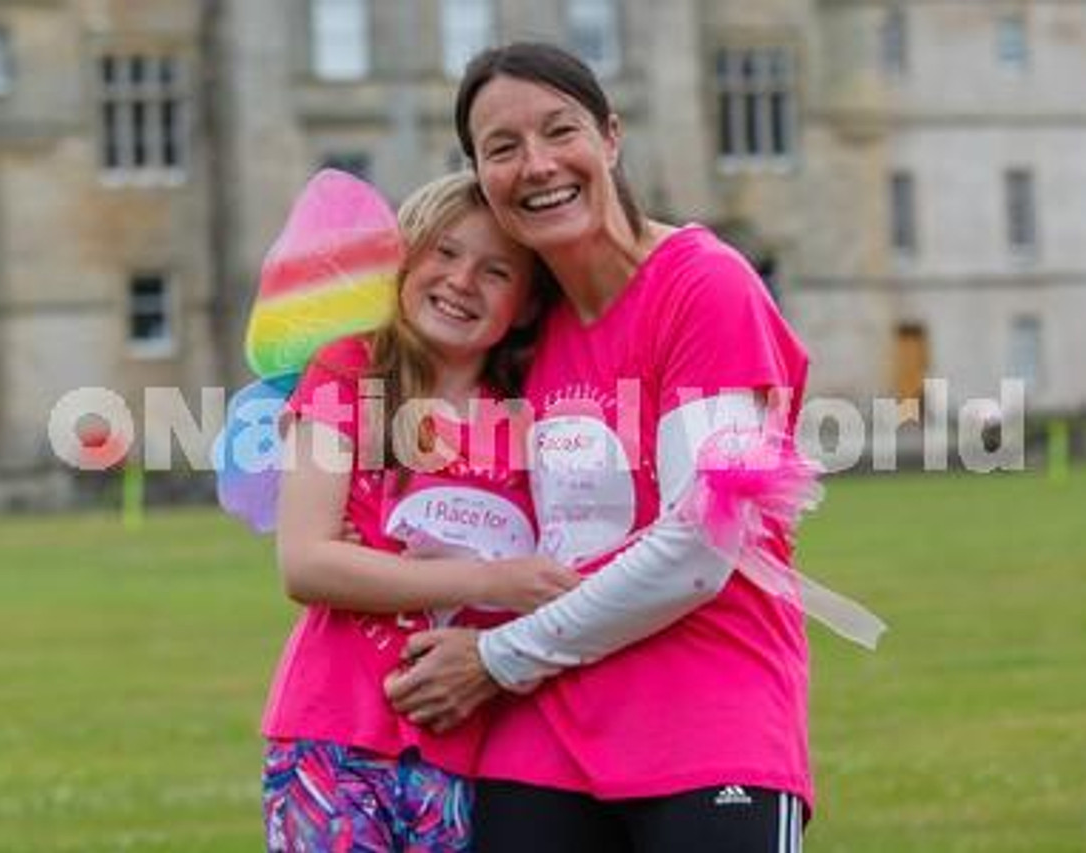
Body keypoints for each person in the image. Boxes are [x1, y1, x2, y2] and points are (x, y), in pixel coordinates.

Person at [384, 43, 813, 853]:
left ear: (610, 138)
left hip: (707, 723)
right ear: (481, 173)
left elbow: (703, 545)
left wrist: (498, 656)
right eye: (503, 148)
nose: (538, 164)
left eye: (559, 131)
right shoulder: (519, 325)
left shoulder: (704, 286)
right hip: (541, 739)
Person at [261, 170, 579, 852]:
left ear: (525, 306)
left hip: (473, 750)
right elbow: (306, 560)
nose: (462, 280)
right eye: (444, 252)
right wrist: (490, 581)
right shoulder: (351, 371)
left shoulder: (535, 418)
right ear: (403, 259)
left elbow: (562, 567)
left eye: (496, 271)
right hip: (333, 733)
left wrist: (371, 563)